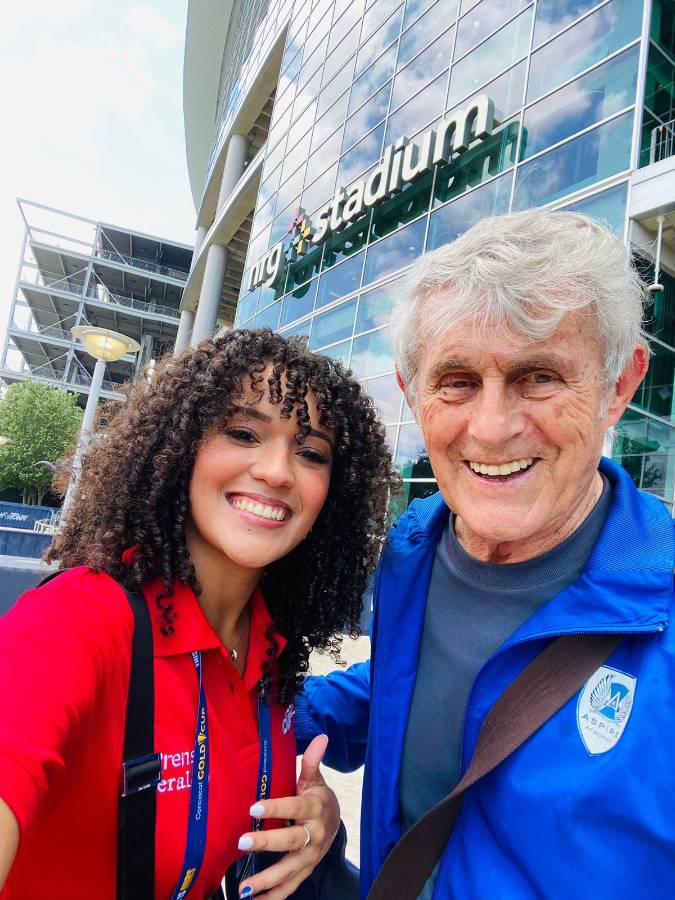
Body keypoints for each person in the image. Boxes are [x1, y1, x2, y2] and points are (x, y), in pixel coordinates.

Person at [294, 209, 675, 899]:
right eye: (457, 381)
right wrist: (246, 721)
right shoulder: (414, 548)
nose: (492, 428)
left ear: (618, 386)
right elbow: (419, 688)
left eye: (538, 377)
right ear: (414, 396)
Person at [0, 329, 397, 899]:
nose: (278, 470)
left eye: (311, 452)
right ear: (178, 447)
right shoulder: (80, 618)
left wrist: (319, 821)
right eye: (243, 432)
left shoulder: (272, 655)